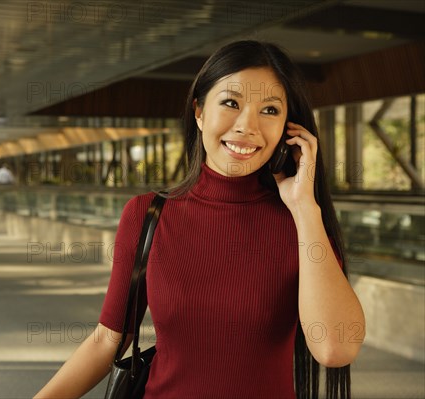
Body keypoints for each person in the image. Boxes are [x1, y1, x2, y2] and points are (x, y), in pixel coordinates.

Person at [34, 40, 365, 399]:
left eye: (269, 110)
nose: (247, 126)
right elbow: (107, 341)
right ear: (199, 111)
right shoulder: (148, 215)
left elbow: (336, 349)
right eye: (231, 103)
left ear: (290, 128)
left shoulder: (302, 225)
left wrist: (304, 208)